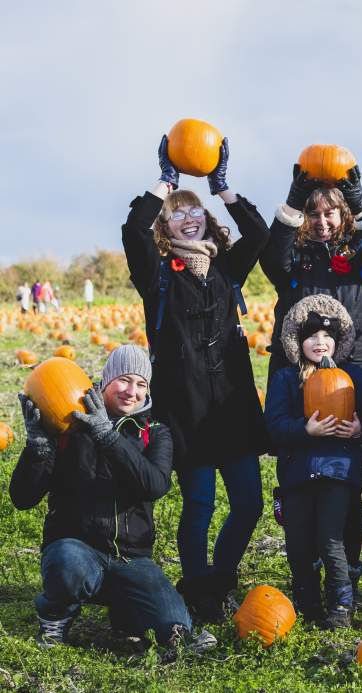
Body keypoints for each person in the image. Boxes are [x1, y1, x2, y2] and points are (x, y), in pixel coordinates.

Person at [122, 135, 270, 622]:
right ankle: (199, 589)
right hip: (184, 408)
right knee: (200, 504)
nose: (189, 217)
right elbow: (132, 230)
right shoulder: (157, 273)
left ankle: (220, 577)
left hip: (232, 406)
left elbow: (260, 234)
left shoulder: (227, 268)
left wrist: (221, 185)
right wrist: (166, 182)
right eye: (177, 212)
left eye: (195, 211)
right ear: (165, 223)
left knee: (249, 502)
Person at [9, 345, 214, 652]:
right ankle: (55, 618)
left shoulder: (154, 433)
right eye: (124, 380)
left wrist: (108, 435)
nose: (132, 392)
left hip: (131, 558)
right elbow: (23, 498)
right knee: (67, 564)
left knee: (174, 623)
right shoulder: (68, 424)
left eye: (141, 384)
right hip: (77, 550)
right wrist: (38, 447)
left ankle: (127, 613)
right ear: (105, 380)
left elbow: (154, 484)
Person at [260, 164, 362, 596]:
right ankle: (306, 565)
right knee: (299, 471)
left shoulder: (359, 258)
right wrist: (291, 199)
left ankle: (346, 570)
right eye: (313, 213)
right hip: (295, 375)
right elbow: (270, 258)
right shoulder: (293, 260)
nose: (321, 222)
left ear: (344, 218)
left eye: (331, 214)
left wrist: (359, 200)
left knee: (346, 480)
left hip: (349, 375)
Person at [264, 294, 362, 628]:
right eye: (312, 337)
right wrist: (305, 429)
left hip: (338, 471)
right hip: (297, 474)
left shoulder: (351, 377)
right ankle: (307, 601)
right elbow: (273, 426)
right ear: (298, 342)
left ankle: (341, 603)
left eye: (327, 336)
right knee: (299, 543)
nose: (320, 343)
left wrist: (361, 428)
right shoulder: (286, 380)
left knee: (332, 538)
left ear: (338, 342)